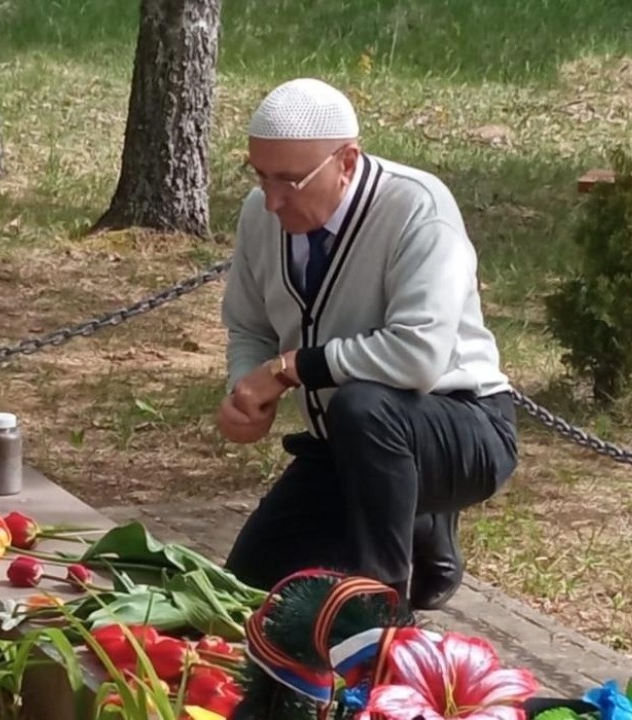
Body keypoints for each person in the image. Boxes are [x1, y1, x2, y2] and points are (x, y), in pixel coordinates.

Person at [217, 78, 519, 610]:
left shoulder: (418, 207)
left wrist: (290, 369)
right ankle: (417, 521)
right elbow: (249, 326)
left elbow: (418, 355)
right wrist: (245, 390)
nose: (271, 200)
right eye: (259, 175)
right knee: (246, 592)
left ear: (347, 161)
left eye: (289, 180)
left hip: (464, 429)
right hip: (344, 444)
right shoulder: (258, 215)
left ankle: (381, 610)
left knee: (365, 405)